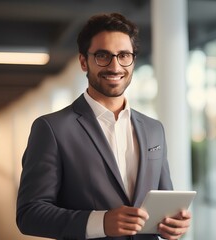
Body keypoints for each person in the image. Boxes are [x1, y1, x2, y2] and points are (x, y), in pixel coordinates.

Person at [16, 13, 191, 240]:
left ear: (133, 60)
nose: (115, 66)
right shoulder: (51, 129)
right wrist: (100, 222)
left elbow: (163, 199)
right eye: (102, 56)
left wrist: (173, 223)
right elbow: (29, 214)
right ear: (83, 61)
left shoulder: (153, 128)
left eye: (124, 55)